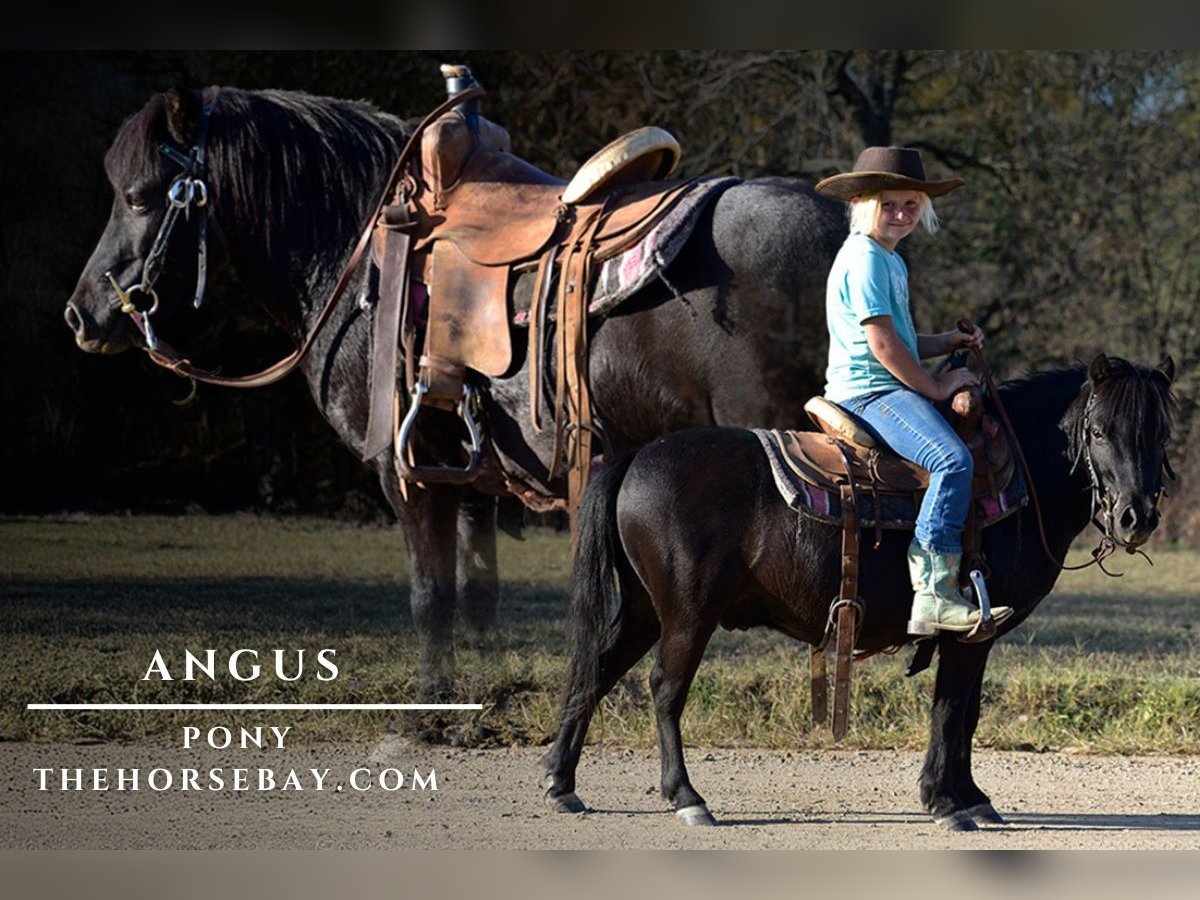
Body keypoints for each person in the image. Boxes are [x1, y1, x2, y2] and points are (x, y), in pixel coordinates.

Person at [815, 147, 1011, 638]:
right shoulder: (865, 259)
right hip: (870, 393)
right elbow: (882, 347)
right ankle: (934, 592)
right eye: (890, 205)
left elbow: (898, 339)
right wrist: (938, 385)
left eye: (911, 204)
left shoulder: (889, 260)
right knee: (952, 461)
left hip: (883, 384)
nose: (902, 214)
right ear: (863, 203)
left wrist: (946, 342)